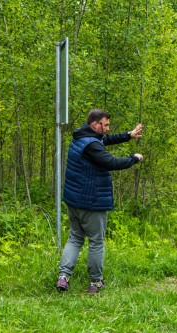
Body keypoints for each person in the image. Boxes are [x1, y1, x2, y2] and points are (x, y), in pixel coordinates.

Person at [56, 109, 144, 293]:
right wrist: (133, 159)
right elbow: (111, 162)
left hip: (74, 200)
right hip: (91, 202)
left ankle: (63, 277)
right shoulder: (92, 145)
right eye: (106, 125)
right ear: (96, 124)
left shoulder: (82, 137)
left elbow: (106, 140)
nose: (108, 128)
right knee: (96, 241)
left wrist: (129, 135)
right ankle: (95, 282)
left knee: (75, 238)